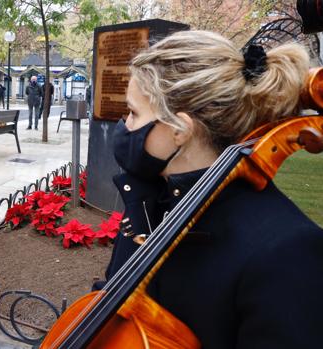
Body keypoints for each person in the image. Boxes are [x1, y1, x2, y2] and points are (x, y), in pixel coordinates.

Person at [96, 31, 323, 347]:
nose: (126, 126)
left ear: (180, 130)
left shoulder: (288, 251)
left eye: (134, 113)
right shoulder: (151, 203)